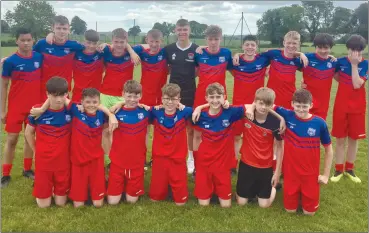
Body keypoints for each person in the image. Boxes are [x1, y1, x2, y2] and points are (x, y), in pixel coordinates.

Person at [247, 89, 333, 215]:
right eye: (298, 106)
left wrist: (325, 175)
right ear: (292, 104)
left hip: (310, 174)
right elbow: (264, 102)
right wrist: (252, 108)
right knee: (290, 210)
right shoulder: (287, 114)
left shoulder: (319, 123)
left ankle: (303, 196)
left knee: (309, 213)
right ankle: (295, 195)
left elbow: (329, 149)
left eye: (305, 106)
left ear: (311, 105)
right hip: (291, 173)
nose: (301, 110)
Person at [30, 87, 118, 208]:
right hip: (78, 160)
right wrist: (42, 109)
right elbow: (59, 96)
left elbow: (107, 130)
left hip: (96, 159)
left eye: (94, 102)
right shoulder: (76, 110)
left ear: (99, 103)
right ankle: (54, 189)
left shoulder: (101, 115)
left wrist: (110, 114)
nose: (91, 105)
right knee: (78, 205)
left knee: (98, 204)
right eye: (87, 102)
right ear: (81, 102)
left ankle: (94, 192)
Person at [1, 28, 43, 187]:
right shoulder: (10, 61)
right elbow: (3, 85)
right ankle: (5, 175)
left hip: (34, 108)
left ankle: (27, 170)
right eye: (22, 40)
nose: (26, 43)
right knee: (11, 139)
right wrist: (2, 110)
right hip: (15, 108)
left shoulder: (39, 57)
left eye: (29, 40)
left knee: (29, 138)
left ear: (33, 41)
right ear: (16, 41)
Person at [191, 83, 245, 208]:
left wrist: (280, 119)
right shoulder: (200, 115)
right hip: (204, 162)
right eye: (212, 97)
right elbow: (197, 137)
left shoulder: (230, 112)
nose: (215, 100)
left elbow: (251, 106)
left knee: (226, 206)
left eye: (218, 97)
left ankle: (219, 190)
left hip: (222, 163)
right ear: (206, 98)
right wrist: (196, 159)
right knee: (203, 205)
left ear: (224, 97)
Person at [24, 77, 72, 208]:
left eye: (62, 95)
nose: (59, 99)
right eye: (54, 95)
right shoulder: (38, 111)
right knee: (43, 205)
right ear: (47, 94)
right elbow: (28, 133)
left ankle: (56, 188)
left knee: (60, 203)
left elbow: (92, 106)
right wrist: (35, 151)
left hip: (63, 160)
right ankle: (45, 187)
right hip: (44, 160)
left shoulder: (71, 110)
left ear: (67, 94)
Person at [330, 35, 368, 184]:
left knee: (353, 139)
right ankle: (339, 169)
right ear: (348, 49)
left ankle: (350, 169)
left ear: (362, 51)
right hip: (341, 106)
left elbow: (357, 84)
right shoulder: (339, 62)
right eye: (352, 49)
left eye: (358, 50)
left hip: (358, 108)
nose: (355, 53)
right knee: (340, 139)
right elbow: (334, 75)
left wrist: (353, 65)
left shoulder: (366, 64)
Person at [237, 87, 284, 208]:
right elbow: (224, 106)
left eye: (268, 104)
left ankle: (272, 188)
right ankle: (252, 191)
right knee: (241, 203)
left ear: (273, 105)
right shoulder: (247, 113)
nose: (263, 107)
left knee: (264, 206)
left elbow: (280, 147)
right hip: (246, 164)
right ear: (255, 102)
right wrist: (252, 107)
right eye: (260, 103)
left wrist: (277, 172)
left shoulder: (275, 122)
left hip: (265, 166)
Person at [106, 80, 151, 205]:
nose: (132, 99)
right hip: (118, 160)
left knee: (132, 201)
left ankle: (129, 185)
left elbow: (167, 106)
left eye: (136, 96)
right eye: (129, 96)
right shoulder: (115, 112)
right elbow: (97, 108)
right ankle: (116, 183)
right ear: (123, 94)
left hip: (136, 161)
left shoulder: (146, 111)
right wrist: (110, 114)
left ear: (140, 96)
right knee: (112, 202)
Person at [164, 19, 199, 174]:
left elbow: (198, 70)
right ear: (175, 30)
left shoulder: (197, 49)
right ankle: (171, 155)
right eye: (179, 29)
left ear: (189, 30)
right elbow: (167, 68)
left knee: (190, 128)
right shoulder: (169, 49)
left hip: (190, 91)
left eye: (185, 29)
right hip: (172, 93)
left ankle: (190, 157)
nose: (182, 32)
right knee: (172, 125)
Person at [148, 84, 191, 205]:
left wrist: (198, 108)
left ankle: (173, 190)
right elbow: (137, 106)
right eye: (167, 99)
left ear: (179, 100)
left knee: (180, 203)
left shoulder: (186, 112)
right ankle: (163, 189)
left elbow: (207, 110)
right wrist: (118, 104)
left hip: (177, 159)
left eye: (174, 99)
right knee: (154, 199)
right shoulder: (155, 111)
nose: (170, 102)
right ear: (162, 99)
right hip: (159, 158)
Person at [300, 33, 337, 120]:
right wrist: (300, 53)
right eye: (319, 47)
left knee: (319, 126)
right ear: (315, 47)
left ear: (330, 48)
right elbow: (288, 54)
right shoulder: (307, 58)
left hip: (323, 103)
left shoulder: (334, 62)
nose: (323, 51)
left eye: (326, 48)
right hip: (306, 101)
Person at [71, 30, 104, 103]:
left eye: (94, 43)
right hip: (78, 95)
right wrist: (52, 34)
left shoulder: (101, 53)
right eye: (88, 42)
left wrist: (105, 44)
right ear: (84, 41)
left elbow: (116, 47)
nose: (91, 46)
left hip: (95, 96)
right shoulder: (75, 53)